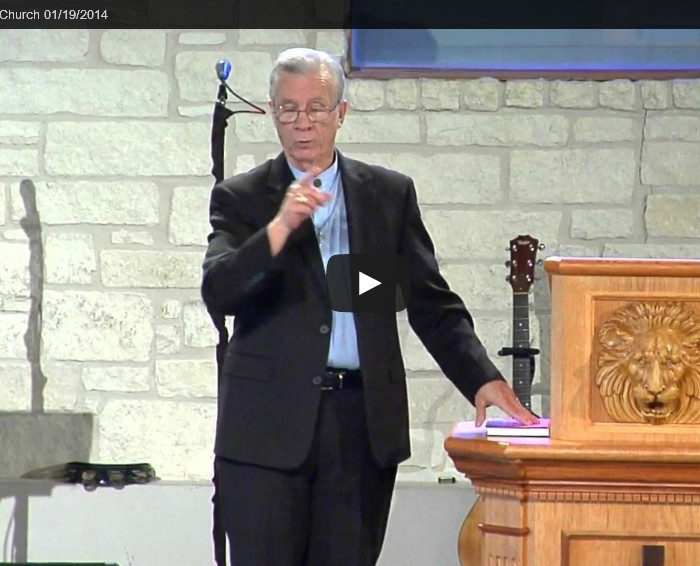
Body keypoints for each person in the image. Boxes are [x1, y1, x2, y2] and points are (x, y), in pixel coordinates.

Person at [201, 47, 538, 566]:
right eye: (288, 109)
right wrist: (280, 227)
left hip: (358, 430)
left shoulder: (386, 195)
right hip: (266, 436)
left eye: (316, 108)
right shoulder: (242, 197)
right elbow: (219, 292)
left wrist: (481, 378)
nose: (302, 123)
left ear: (342, 113)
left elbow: (428, 301)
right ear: (271, 113)